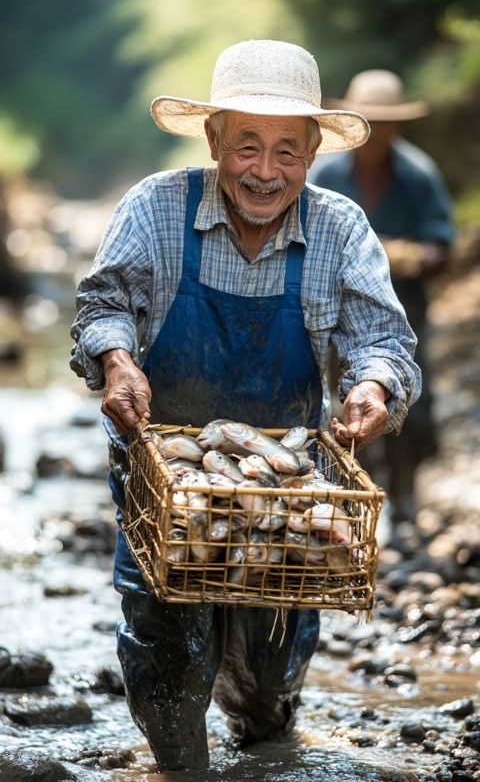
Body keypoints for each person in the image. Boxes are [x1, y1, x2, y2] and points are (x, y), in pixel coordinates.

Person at [70, 40, 421, 771]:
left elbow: (382, 339)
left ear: (314, 149)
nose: (265, 171)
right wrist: (117, 360)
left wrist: (373, 386)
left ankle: (263, 732)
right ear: (213, 140)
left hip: (281, 497)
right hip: (165, 481)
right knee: (167, 645)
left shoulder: (340, 228)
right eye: (247, 147)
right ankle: (179, 760)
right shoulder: (157, 207)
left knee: (271, 666)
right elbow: (105, 304)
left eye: (287, 152)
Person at [309, 70, 454, 541]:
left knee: (412, 400)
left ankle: (407, 497)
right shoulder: (327, 173)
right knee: (348, 401)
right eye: (368, 122)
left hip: (405, 309)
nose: (376, 133)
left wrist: (413, 255)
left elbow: (441, 245)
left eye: (385, 123)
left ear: (397, 128)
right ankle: (360, 498)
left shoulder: (417, 175)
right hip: (337, 311)